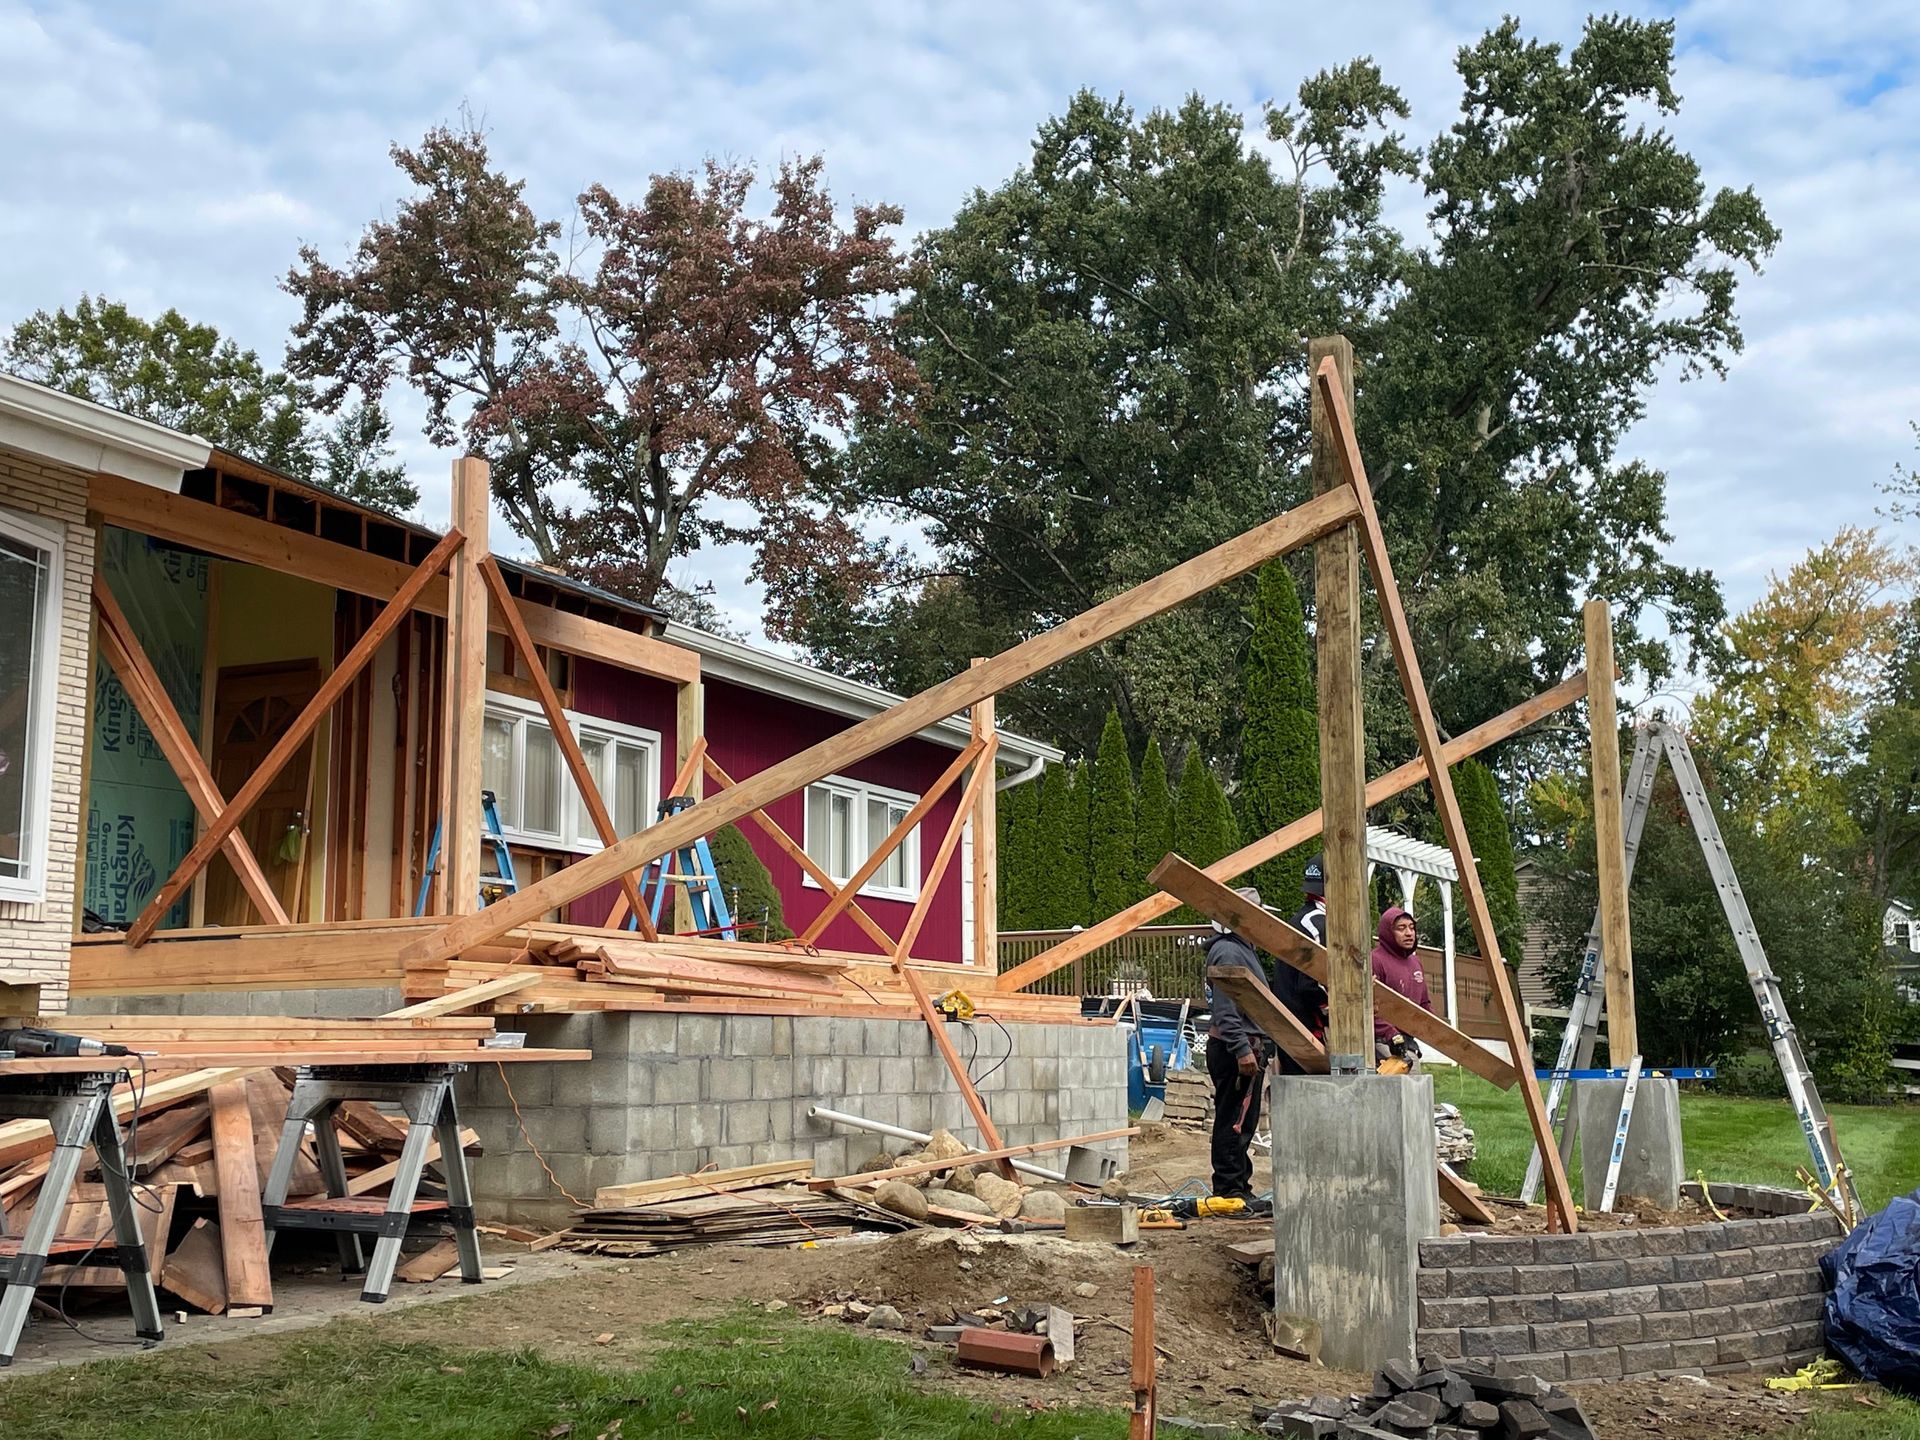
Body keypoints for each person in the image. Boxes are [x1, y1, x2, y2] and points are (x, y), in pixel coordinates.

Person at [1203, 886, 1273, 1200]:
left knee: (1241, 1120)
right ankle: (1230, 1188)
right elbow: (1225, 1008)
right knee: (1233, 1120)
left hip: (1244, 1046)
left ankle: (1238, 1186)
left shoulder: (1241, 949)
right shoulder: (1229, 952)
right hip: (1235, 1050)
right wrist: (1242, 1049)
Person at [1273, 854, 1330, 1075]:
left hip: (1292, 1028)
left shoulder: (1300, 920)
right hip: (1305, 1030)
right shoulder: (1317, 924)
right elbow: (1309, 984)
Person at [1370, 905, 1434, 1071]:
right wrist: (1390, 1034)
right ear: (1388, 932)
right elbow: (1368, 1006)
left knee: (1415, 1074)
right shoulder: (1375, 960)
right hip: (1380, 1040)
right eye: (1401, 928)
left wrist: (1439, 1031)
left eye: (1412, 928)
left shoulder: (1415, 962)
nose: (1409, 933)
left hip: (1407, 1039)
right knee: (1408, 1072)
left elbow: (1424, 1004)